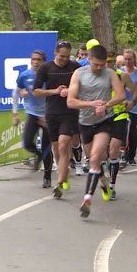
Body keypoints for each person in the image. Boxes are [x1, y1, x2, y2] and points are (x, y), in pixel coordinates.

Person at [67, 45, 125, 217]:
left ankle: (87, 200)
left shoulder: (110, 73)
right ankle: (103, 182)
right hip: (85, 122)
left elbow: (121, 95)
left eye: (102, 64)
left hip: (104, 121)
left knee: (95, 157)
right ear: (89, 59)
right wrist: (91, 104)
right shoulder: (79, 74)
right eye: (96, 65)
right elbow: (70, 101)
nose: (100, 68)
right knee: (94, 160)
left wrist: (106, 105)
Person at [33, 41, 82, 198]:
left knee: (63, 144)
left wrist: (71, 91)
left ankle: (59, 183)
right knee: (56, 148)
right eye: (62, 56)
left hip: (70, 112)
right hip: (52, 112)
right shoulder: (45, 68)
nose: (64, 59)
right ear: (55, 53)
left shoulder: (75, 67)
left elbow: (84, 86)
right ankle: (64, 170)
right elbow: (36, 91)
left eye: (67, 56)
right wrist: (55, 91)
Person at [13, 50, 53, 189]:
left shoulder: (49, 75)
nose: (35, 62)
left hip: (47, 115)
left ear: (44, 62)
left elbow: (55, 94)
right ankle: (38, 156)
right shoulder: (25, 75)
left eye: (39, 60)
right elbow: (16, 93)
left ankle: (47, 178)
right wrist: (15, 113)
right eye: (33, 59)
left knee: (47, 147)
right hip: (32, 113)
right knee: (27, 142)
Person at [105, 54, 137, 201]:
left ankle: (112, 187)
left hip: (119, 116)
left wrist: (132, 102)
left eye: (111, 61)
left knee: (113, 151)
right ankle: (104, 175)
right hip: (101, 117)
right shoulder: (95, 76)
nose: (109, 64)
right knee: (101, 154)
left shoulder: (122, 76)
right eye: (106, 61)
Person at [121, 49, 137, 166]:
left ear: (134, 59)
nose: (127, 61)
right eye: (125, 59)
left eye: (129, 59)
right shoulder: (120, 72)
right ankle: (126, 157)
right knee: (127, 131)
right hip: (125, 106)